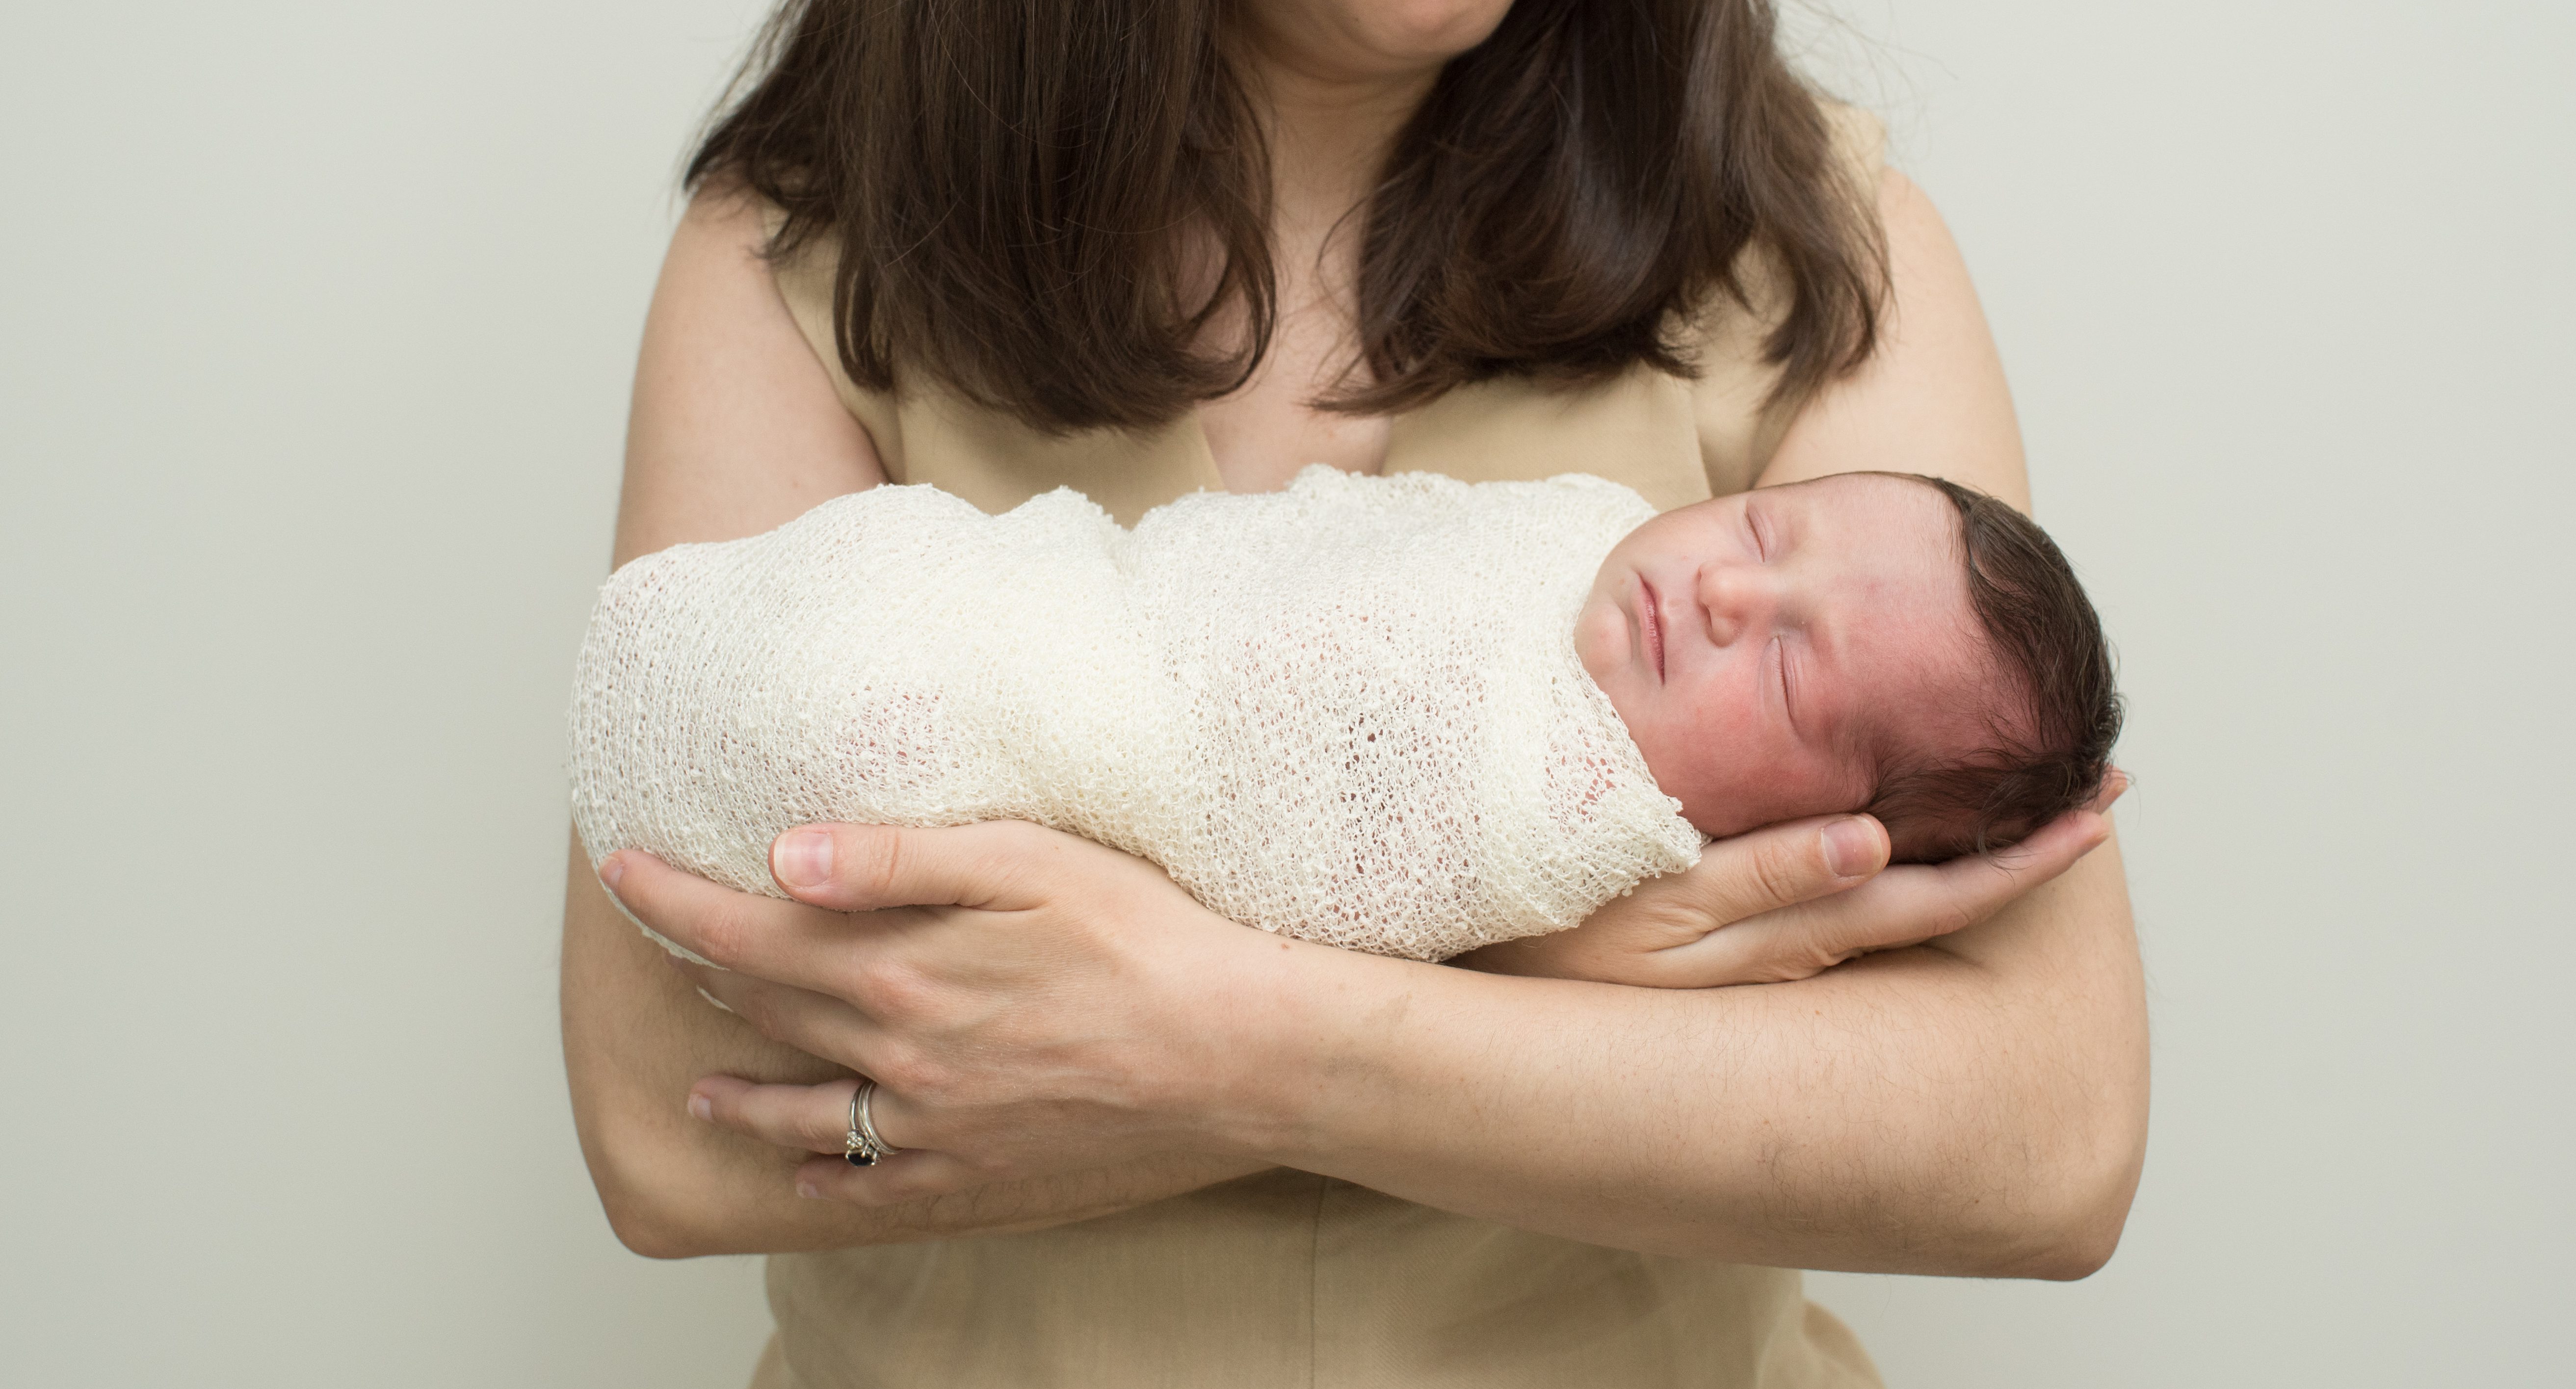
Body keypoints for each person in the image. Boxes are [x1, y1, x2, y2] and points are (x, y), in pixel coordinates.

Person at [558, 0, 2149, 1389]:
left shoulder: (1813, 248)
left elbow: (2041, 1136)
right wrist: (1576, 992)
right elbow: (662, 1121)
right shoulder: (800, 261)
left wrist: (1212, 1035)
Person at [570, 467, 2120, 962]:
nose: (1726, 593)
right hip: (1094, 598)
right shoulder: (1589, 525)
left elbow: (1302, 862)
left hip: (1118, 748)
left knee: (881, 720)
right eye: (1770, 532)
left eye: (1786, 674)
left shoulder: (1567, 813)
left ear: (1815, 833)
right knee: (899, 588)